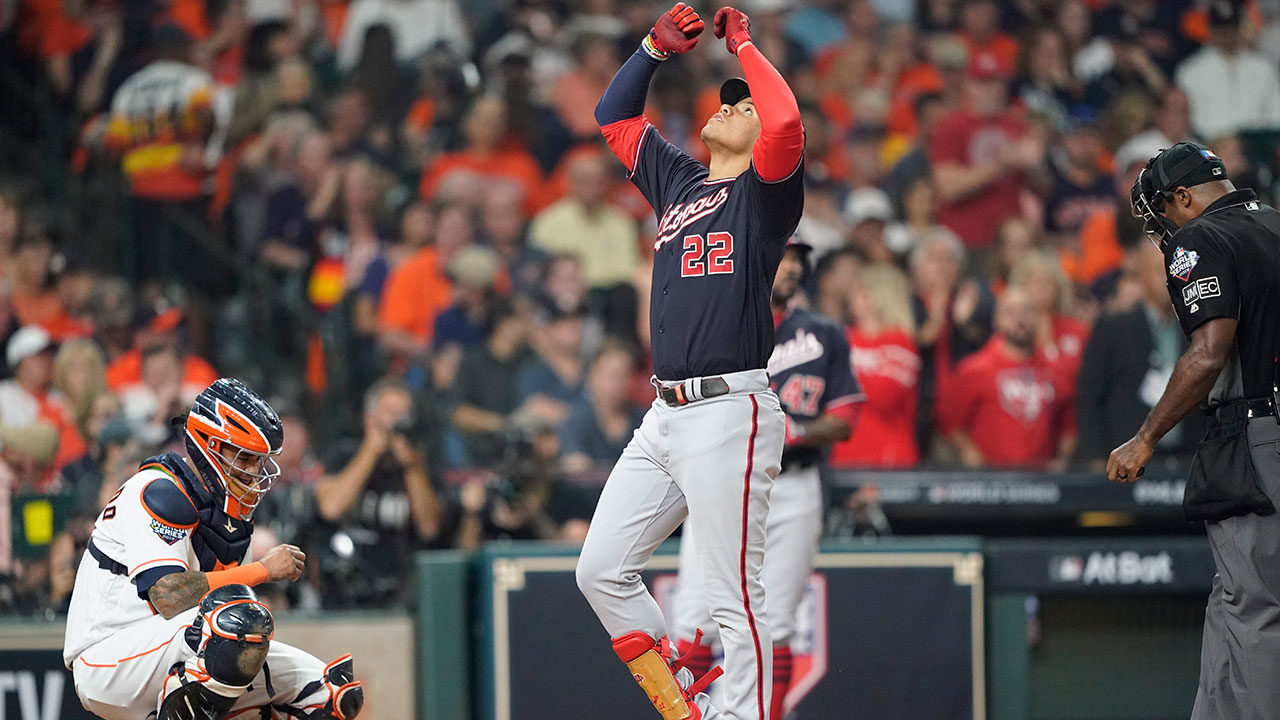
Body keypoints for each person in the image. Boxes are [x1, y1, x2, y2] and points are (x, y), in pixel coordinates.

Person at [574, 5, 804, 719]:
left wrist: (743, 47)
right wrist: (650, 50)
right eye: (726, 98)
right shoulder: (680, 180)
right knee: (601, 569)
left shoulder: (763, 192)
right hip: (666, 412)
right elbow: (612, 117)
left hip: (730, 408)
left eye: (740, 106)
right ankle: (684, 705)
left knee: (737, 598)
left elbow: (788, 125)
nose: (728, 106)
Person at [62, 378, 363, 720]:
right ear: (209, 445)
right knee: (235, 621)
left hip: (175, 649)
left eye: (259, 461)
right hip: (108, 657)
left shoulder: (231, 517)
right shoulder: (159, 491)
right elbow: (169, 595)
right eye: (244, 458)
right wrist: (263, 569)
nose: (253, 472)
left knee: (330, 692)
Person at [1109, 142, 1280, 719]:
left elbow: (1208, 355)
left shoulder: (1202, 238)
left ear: (1184, 196)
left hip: (1258, 434)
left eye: (1162, 210)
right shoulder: (1276, 225)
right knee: (1230, 599)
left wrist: (1146, 436)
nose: (1163, 226)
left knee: (1255, 605)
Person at [671, 238, 862, 720]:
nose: (792, 267)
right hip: (722, 482)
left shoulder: (822, 334)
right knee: (695, 622)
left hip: (793, 485)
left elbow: (844, 418)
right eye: (783, 256)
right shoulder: (715, 322)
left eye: (798, 259)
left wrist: (788, 428)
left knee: (775, 624)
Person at [314, 377, 444, 606]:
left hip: (404, 589)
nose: (398, 421)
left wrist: (412, 467)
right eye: (390, 412)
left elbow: (429, 528)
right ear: (369, 419)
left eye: (404, 413)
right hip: (348, 586)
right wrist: (371, 450)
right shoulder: (344, 455)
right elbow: (331, 508)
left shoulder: (420, 463)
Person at [941, 286, 1074, 470]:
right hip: (990, 480)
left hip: (1042, 481)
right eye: (1009, 312)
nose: (1019, 319)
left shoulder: (1056, 368)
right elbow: (952, 423)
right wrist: (969, 452)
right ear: (997, 319)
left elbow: (1068, 422)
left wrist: (1063, 459)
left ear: (1039, 318)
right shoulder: (974, 369)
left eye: (1027, 310)